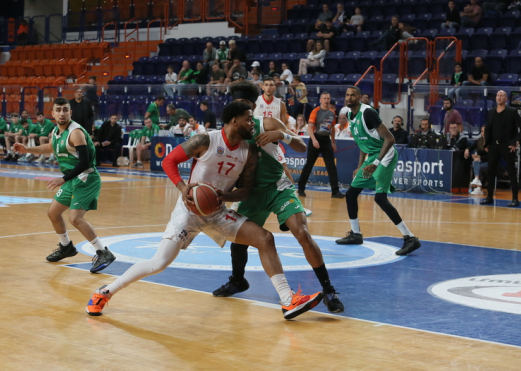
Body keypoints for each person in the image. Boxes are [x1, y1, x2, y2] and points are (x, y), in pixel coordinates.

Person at [86, 100, 325, 320]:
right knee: (158, 263)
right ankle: (104, 292)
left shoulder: (249, 151)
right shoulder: (205, 140)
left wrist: (225, 195)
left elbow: (245, 191)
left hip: (218, 212)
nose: (253, 124)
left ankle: (287, 300)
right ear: (234, 121)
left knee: (265, 238)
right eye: (248, 119)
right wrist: (182, 188)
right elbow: (169, 161)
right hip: (189, 212)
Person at [211, 81, 344, 313]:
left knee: (302, 232)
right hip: (252, 192)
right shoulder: (230, 130)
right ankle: (237, 280)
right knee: (238, 239)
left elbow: (302, 146)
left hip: (278, 187)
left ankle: (328, 289)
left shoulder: (267, 123)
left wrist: (282, 134)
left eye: (243, 105)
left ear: (252, 106)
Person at [13, 98, 116, 272]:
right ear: (52, 113)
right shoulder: (56, 131)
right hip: (72, 178)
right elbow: (50, 147)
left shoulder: (75, 132)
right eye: (58, 110)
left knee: (75, 218)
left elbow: (84, 163)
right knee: (53, 213)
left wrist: (63, 179)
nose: (62, 113)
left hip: (86, 178)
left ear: (70, 112)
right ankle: (66, 247)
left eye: (65, 110)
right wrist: (27, 149)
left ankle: (103, 252)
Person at [336, 86, 421, 256]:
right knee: (351, 193)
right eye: (347, 95)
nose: (349, 97)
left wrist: (375, 162)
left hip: (385, 154)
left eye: (353, 95)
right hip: (371, 157)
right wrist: (360, 165)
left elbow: (390, 138)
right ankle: (356, 234)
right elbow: (362, 143)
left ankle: (410, 238)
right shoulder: (350, 115)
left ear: (360, 97)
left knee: (380, 198)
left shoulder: (368, 113)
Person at [297, 92, 345, 198]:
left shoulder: (332, 113)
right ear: (320, 100)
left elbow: (331, 129)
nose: (327, 100)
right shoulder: (315, 111)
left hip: (326, 140)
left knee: (331, 166)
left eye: (328, 98)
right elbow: (309, 127)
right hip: (315, 138)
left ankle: (335, 191)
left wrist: (333, 142)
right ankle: (300, 188)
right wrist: (314, 140)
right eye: (325, 98)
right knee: (309, 164)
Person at [480, 90, 521, 207]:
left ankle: (515, 198)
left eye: (502, 96)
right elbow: (488, 128)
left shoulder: (512, 112)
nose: (499, 97)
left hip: (507, 146)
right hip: (494, 145)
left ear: (506, 98)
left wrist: (516, 141)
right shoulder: (491, 112)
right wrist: (487, 144)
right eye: (498, 95)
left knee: (511, 172)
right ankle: (489, 197)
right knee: (490, 171)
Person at [464, 125, 488, 195]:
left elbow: (491, 157)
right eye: (482, 131)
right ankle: (477, 182)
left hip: (490, 163)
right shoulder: (480, 140)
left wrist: (480, 157)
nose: (483, 133)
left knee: (477, 165)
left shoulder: (491, 142)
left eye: (485, 131)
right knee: (476, 162)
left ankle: (478, 186)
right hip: (481, 162)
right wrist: (467, 150)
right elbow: (471, 146)